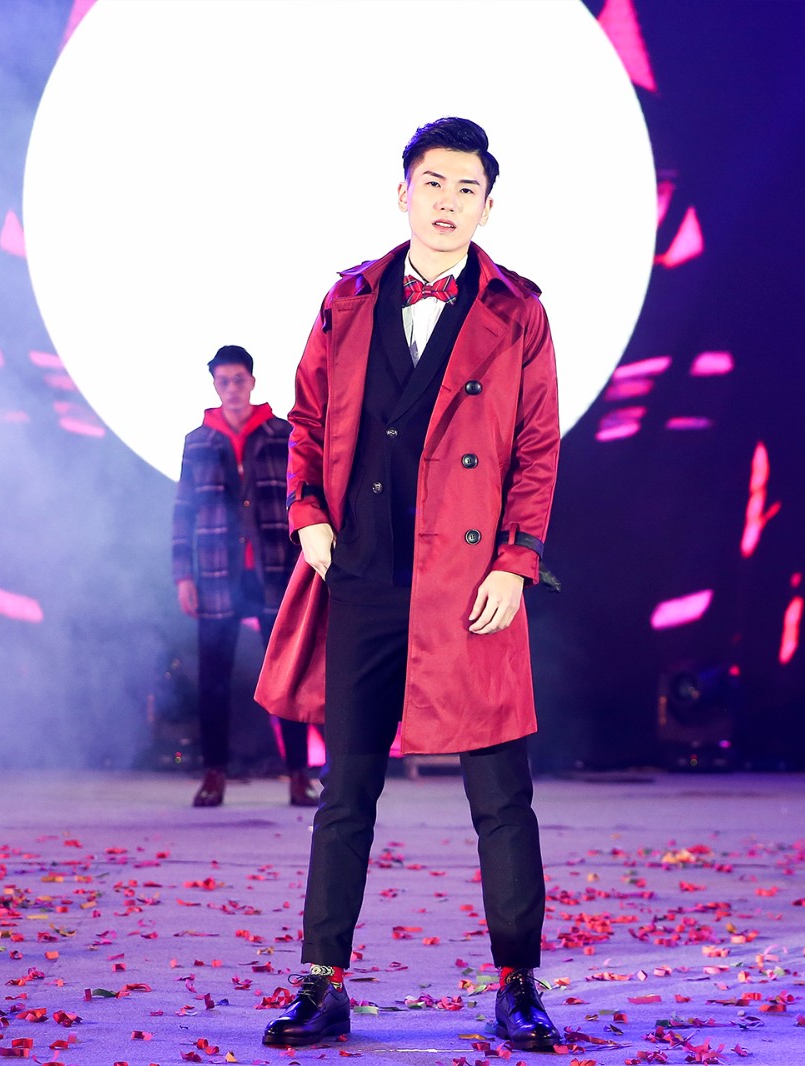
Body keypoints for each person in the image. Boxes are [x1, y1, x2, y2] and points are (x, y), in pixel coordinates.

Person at [253, 117, 562, 1050]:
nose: (448, 203)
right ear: (403, 193)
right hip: (362, 574)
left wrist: (515, 561)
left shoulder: (518, 311)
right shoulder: (346, 298)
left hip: (469, 587)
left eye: (467, 189)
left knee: (500, 797)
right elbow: (307, 418)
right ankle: (322, 985)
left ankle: (518, 985)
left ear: (488, 206)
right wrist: (307, 512)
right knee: (345, 791)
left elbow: (537, 448)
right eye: (434, 184)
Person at [172, 346, 318, 808]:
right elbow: (184, 511)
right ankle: (214, 773)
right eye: (224, 382)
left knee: (288, 674)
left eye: (239, 380)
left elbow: (303, 497)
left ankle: (299, 774)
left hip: (276, 570)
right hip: (218, 573)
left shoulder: (282, 434)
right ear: (214, 385)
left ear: (252, 381)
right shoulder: (199, 441)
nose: (232, 389)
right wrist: (183, 576)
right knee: (214, 678)